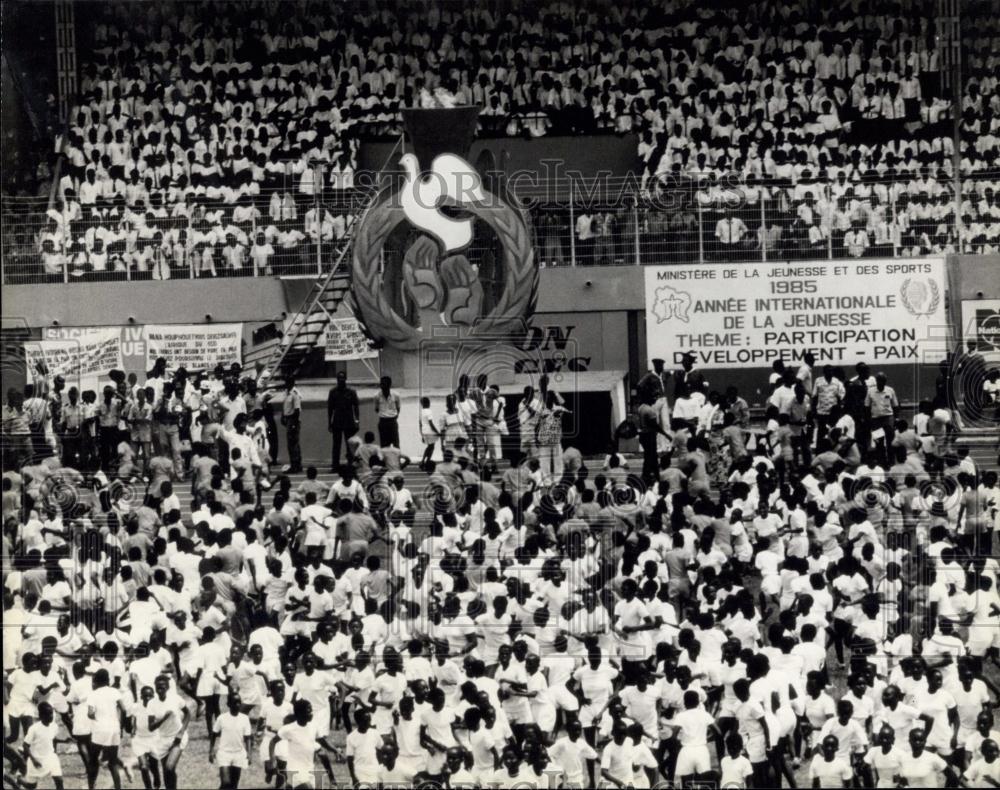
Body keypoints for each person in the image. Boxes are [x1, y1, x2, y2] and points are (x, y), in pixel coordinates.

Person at [327, 371, 359, 472]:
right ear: (337, 379)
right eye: (339, 378)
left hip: (349, 420)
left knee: (349, 444)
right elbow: (330, 408)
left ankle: (350, 464)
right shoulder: (333, 392)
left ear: (345, 379)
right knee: (336, 444)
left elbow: (356, 407)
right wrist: (329, 422)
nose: (341, 380)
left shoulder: (351, 392)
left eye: (342, 378)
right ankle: (335, 465)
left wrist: (357, 420)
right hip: (337, 420)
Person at [281, 377, 303, 474]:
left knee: (293, 444)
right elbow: (285, 405)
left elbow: (297, 410)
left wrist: (293, 423)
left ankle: (295, 465)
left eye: (288, 382)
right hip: (288, 419)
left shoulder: (295, 394)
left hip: (293, 420)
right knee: (292, 444)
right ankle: (296, 464)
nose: (286, 384)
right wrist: (283, 416)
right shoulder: (286, 392)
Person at [375, 376, 400, 448]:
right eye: (381, 384)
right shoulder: (377, 396)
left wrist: (392, 416)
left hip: (392, 421)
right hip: (383, 422)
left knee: (396, 444)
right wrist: (384, 415)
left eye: (384, 384)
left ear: (389, 385)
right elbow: (376, 409)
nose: (382, 386)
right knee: (384, 445)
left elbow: (398, 408)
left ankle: (396, 459)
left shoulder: (396, 395)